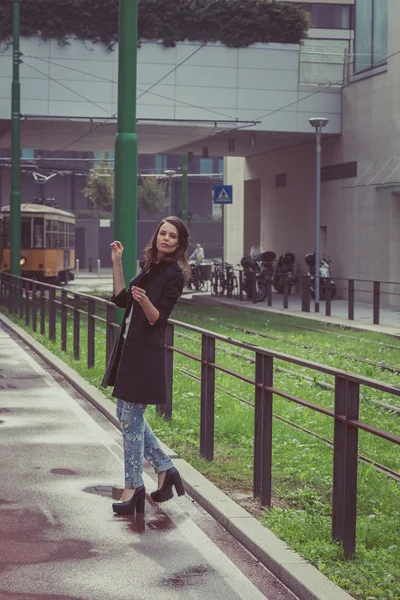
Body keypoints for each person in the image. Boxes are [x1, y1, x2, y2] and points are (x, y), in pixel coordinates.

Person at [102, 216, 190, 515]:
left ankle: (133, 486)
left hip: (145, 356)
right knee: (126, 414)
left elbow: (157, 319)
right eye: (162, 234)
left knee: (131, 419)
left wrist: (143, 301)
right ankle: (165, 468)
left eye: (172, 236)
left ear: (179, 244)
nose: (165, 239)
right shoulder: (150, 267)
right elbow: (120, 300)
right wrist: (117, 262)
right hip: (129, 350)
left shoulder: (174, 275)